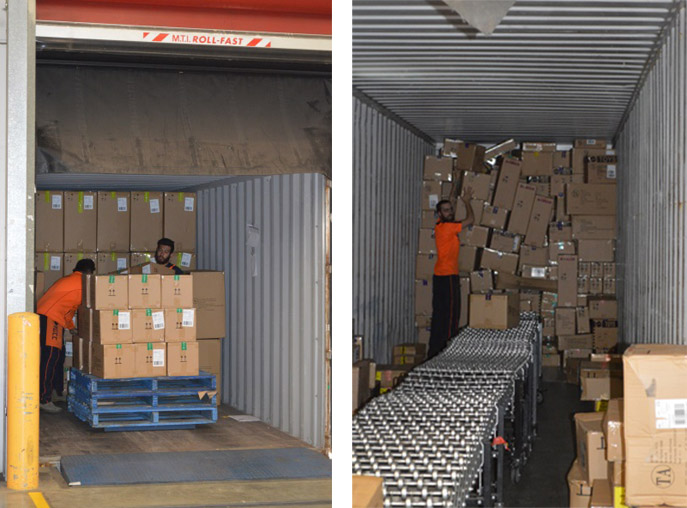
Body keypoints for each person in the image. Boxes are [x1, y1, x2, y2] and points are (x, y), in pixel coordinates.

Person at [36, 258, 96, 413]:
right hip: (51, 317)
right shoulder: (82, 285)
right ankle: (44, 398)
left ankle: (56, 392)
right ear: (89, 273)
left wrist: (71, 327)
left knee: (59, 356)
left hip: (53, 317)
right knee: (50, 357)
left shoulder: (71, 280)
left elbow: (69, 308)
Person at [427, 186, 475, 359]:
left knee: (440, 316)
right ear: (439, 213)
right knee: (451, 316)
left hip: (442, 276)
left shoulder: (442, 226)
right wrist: (467, 202)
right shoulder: (447, 227)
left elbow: (456, 215)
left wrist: (455, 196)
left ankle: (435, 353)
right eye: (445, 210)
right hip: (447, 277)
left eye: (450, 209)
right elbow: (470, 219)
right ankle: (447, 355)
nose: (449, 212)